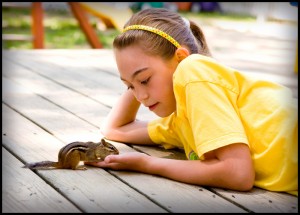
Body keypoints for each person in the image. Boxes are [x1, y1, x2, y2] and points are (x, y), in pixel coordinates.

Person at [85, 8, 298, 196]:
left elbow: (237, 173)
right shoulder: (181, 121)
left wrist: (147, 163)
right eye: (130, 87)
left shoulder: (193, 69)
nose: (140, 96)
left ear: (180, 58)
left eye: (145, 80)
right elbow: (114, 129)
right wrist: (134, 77)